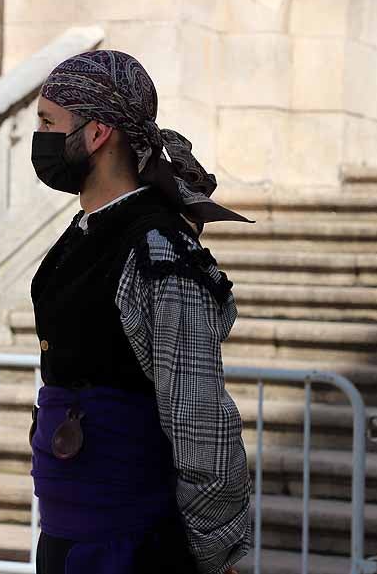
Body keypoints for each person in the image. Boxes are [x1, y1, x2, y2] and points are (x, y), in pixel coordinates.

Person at [27, 50, 253, 574]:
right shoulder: (83, 235)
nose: (38, 138)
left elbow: (199, 416)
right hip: (68, 538)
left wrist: (212, 553)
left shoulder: (158, 250)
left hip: (133, 548)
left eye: (47, 122)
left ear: (98, 132)